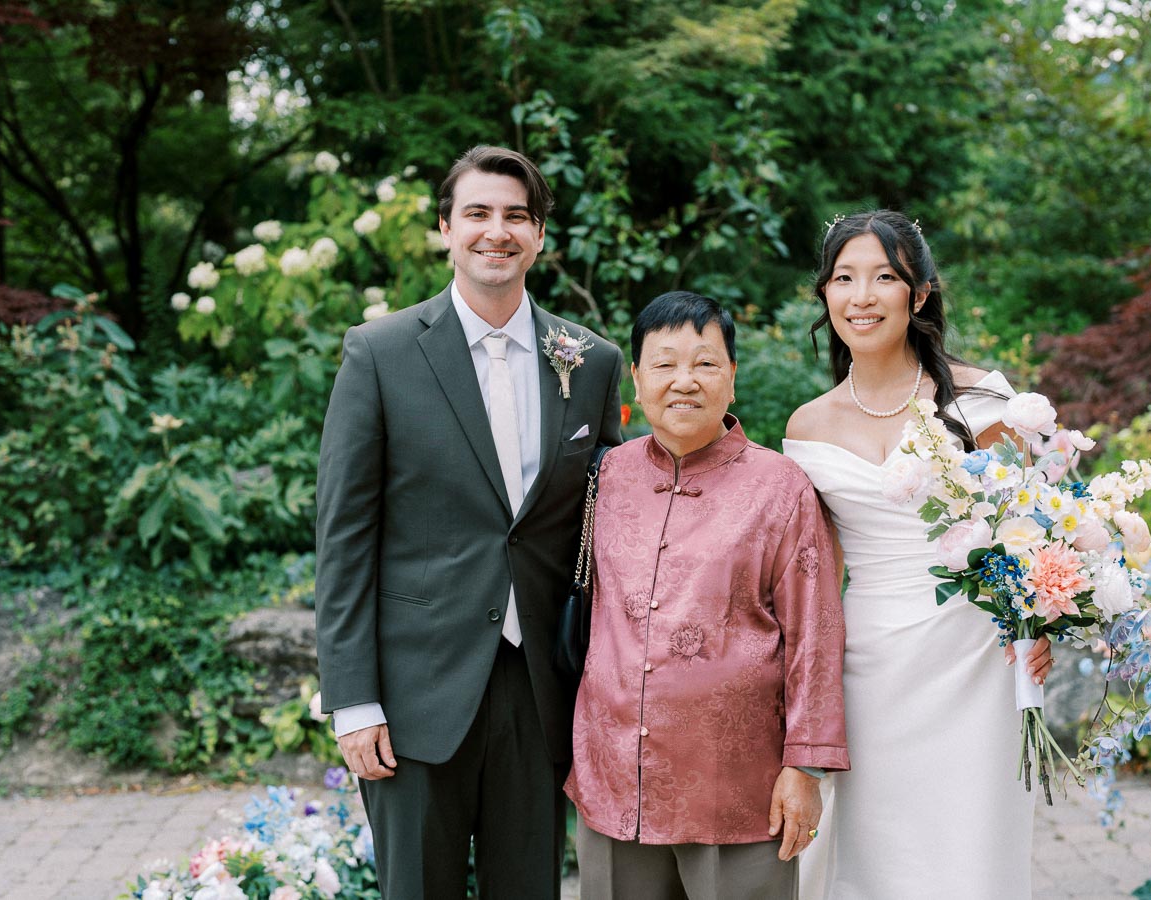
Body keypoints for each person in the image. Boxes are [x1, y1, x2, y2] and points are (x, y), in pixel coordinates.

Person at [314, 144, 624, 900]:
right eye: (478, 214)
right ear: (445, 229)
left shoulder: (589, 361)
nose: (498, 231)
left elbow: (608, 524)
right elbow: (344, 538)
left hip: (542, 687)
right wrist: (353, 701)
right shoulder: (379, 354)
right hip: (415, 691)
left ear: (540, 235)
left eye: (517, 216)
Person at [783, 210, 1054, 899]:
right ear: (825, 294)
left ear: (921, 293)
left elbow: (1037, 532)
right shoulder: (807, 425)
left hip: (973, 663)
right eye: (844, 278)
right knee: (871, 857)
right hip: (867, 665)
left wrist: (1039, 624)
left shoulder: (986, 400)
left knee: (969, 856)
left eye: (884, 277)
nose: (862, 296)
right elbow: (816, 574)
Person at [566, 291, 849, 900]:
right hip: (614, 779)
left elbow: (816, 634)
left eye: (705, 363)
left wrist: (805, 766)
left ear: (732, 378)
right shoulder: (605, 477)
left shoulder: (780, 488)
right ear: (637, 380)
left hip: (737, 790)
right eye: (665, 365)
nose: (684, 381)